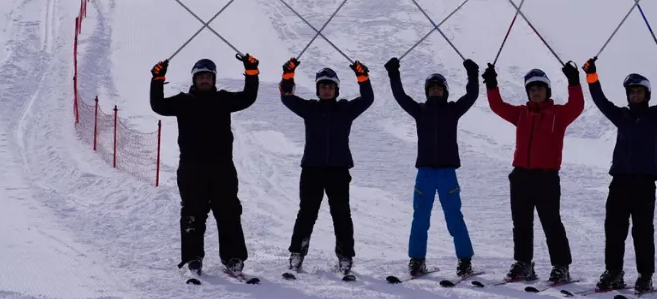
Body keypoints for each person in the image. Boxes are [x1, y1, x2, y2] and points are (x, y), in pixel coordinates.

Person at [149, 53, 260, 278]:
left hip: (222, 168)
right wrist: (157, 79)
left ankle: (233, 257)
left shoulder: (224, 100)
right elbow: (158, 105)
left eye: (208, 76)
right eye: (200, 76)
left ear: (214, 79)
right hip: (192, 168)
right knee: (192, 213)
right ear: (194, 80)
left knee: (228, 212)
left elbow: (248, 97)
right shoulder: (183, 102)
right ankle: (193, 257)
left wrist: (251, 72)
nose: (204, 80)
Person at [482, 62, 584, 284]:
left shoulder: (559, 114)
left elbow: (577, 105)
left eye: (539, 87)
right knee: (521, 222)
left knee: (551, 222)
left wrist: (574, 81)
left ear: (547, 90)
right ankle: (524, 263)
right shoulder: (521, 114)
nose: (536, 92)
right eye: (532, 88)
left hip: (546, 178)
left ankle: (561, 266)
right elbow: (498, 106)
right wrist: (491, 84)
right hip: (520, 176)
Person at [582, 56, 657, 294]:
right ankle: (613, 272)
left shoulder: (655, 116)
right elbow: (601, 101)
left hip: (644, 183)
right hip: (620, 182)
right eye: (631, 91)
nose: (635, 95)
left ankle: (645, 276)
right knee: (614, 230)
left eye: (639, 91)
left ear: (646, 94)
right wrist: (592, 76)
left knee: (642, 232)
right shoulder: (621, 116)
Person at [384, 56, 480, 278]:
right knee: (420, 218)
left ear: (445, 92)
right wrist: (393, 73)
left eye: (439, 88)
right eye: (432, 88)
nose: (435, 91)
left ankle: (464, 261)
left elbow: (472, 95)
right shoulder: (420, 110)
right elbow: (400, 96)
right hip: (425, 174)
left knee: (454, 217)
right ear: (427, 91)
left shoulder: (453, 110)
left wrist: (472, 74)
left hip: (447, 174)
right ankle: (417, 261)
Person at [279, 58, 374, 275]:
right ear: (317, 90)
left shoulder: (346, 109)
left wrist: (363, 76)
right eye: (322, 86)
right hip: (312, 170)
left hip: (339, 171)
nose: (326, 89)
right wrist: (288, 75)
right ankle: (297, 254)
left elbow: (368, 98)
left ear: (336, 89)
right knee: (306, 214)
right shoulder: (309, 108)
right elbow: (287, 97)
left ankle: (345, 257)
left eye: (330, 86)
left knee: (341, 214)